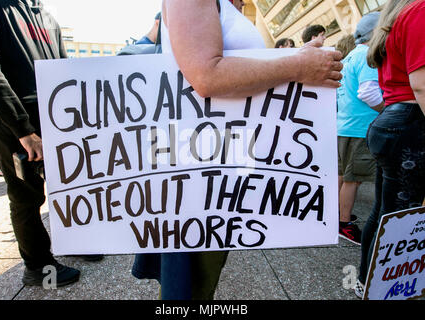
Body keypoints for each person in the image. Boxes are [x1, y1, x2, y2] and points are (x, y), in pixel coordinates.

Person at [131, 0, 343, 300]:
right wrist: (297, 66)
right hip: (200, 164)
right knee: (190, 284)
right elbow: (206, 76)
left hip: (220, 158)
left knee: (197, 279)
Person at [0, 0, 102, 288]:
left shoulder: (44, 13)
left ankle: (73, 242)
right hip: (9, 123)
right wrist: (24, 130)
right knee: (27, 197)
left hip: (53, 118)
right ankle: (38, 267)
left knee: (68, 187)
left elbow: (62, 66)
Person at [355, 0, 425, 298]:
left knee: (386, 213)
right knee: (400, 216)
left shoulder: (396, 17)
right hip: (409, 123)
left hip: (394, 121)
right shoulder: (420, 11)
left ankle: (367, 282)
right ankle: (386, 290)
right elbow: (421, 84)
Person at [336, 12, 383, 246]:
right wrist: (387, 109)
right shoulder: (367, 56)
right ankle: (343, 223)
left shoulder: (349, 57)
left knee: (343, 175)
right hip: (360, 128)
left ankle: (336, 215)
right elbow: (368, 92)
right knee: (353, 179)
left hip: (344, 124)